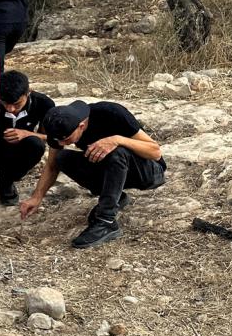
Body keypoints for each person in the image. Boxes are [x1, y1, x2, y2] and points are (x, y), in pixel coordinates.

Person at [20, 100, 166, 249]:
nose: (63, 144)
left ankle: (106, 221)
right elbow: (51, 166)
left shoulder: (111, 112)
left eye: (67, 140)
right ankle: (116, 197)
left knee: (117, 152)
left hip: (149, 172)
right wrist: (36, 197)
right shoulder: (60, 125)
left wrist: (116, 140)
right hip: (115, 172)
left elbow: (154, 151)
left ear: (81, 126)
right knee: (61, 158)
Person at [0, 70, 54, 206]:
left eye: (17, 104)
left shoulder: (44, 104)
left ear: (28, 92)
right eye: (5, 103)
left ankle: (6, 181)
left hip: (18, 152)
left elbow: (52, 137)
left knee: (36, 144)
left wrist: (28, 134)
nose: (10, 109)